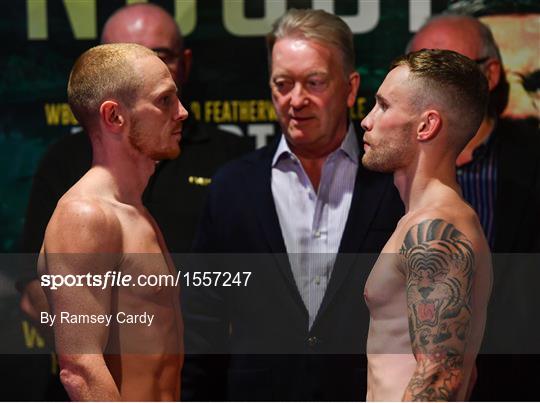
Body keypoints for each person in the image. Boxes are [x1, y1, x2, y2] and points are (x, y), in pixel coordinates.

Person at [181, 8, 403, 401]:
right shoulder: (233, 187)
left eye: (314, 82)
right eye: (282, 83)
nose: (296, 100)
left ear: (351, 88)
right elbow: (202, 323)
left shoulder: (395, 182)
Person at [39, 43, 186, 401]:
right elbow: (80, 370)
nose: (182, 112)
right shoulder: (85, 216)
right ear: (114, 116)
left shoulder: (134, 210)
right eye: (164, 100)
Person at [408, 14, 540, 400]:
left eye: (447, 69)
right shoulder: (388, 169)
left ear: (491, 73)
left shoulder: (532, 160)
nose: (429, 86)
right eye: (419, 71)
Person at [361, 49, 492, 401]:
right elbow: (466, 371)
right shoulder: (422, 221)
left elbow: (440, 376)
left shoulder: (437, 226)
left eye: (384, 106)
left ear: (426, 125)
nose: (366, 120)